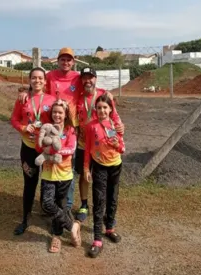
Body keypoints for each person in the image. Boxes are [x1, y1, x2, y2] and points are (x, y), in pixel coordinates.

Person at [17, 47, 119, 212]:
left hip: (71, 127)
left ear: (73, 62)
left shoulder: (77, 78)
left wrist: (107, 93)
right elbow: (38, 86)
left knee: (68, 165)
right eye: (62, 59)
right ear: (58, 61)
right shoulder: (50, 76)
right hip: (52, 126)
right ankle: (47, 203)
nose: (66, 62)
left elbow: (90, 85)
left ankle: (66, 204)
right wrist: (26, 92)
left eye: (69, 60)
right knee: (48, 162)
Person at [10, 67, 57, 235]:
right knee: (29, 184)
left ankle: (52, 219)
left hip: (46, 150)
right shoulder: (22, 99)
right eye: (34, 78)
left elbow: (59, 120)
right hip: (28, 148)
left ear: (45, 82)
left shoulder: (52, 100)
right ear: (29, 80)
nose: (37, 81)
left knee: (48, 185)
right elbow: (14, 119)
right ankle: (26, 218)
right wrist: (24, 128)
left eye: (40, 78)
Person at [74, 67, 123, 223]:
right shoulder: (78, 98)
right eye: (85, 78)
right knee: (84, 174)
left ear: (96, 79)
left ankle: (107, 211)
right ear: (81, 80)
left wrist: (120, 129)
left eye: (91, 77)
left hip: (103, 145)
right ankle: (83, 205)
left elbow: (114, 117)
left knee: (105, 179)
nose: (88, 80)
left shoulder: (104, 95)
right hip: (83, 143)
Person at [35, 99, 81, 253]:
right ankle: (72, 226)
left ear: (65, 114)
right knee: (48, 204)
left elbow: (71, 149)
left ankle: (56, 236)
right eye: (54, 112)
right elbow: (38, 145)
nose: (57, 115)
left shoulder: (70, 130)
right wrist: (43, 145)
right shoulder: (46, 128)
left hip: (64, 174)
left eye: (60, 112)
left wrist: (55, 151)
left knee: (61, 205)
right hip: (48, 174)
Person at [83, 94, 125, 258]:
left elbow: (122, 148)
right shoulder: (91, 126)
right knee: (99, 201)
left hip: (115, 166)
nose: (102, 110)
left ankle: (109, 229)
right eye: (99, 107)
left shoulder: (116, 125)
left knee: (113, 198)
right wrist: (86, 169)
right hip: (99, 167)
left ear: (110, 109)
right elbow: (87, 148)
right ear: (96, 109)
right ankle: (97, 239)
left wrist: (117, 145)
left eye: (105, 107)